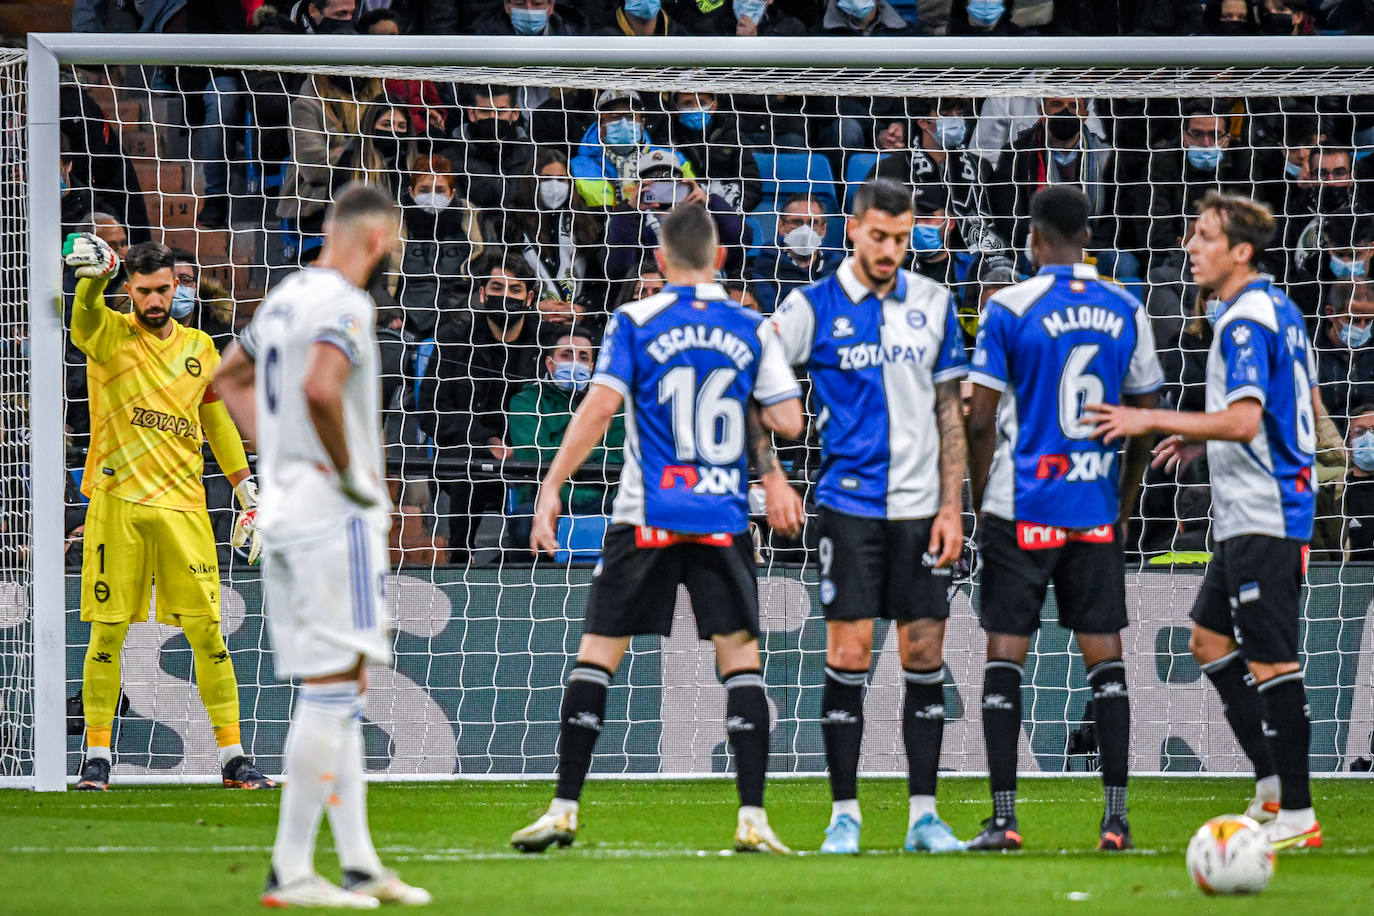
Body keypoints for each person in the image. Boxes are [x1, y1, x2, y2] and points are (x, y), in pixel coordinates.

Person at [510, 203, 804, 855]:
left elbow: (600, 407)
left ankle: (563, 809)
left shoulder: (636, 320)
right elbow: (789, 421)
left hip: (647, 512)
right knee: (741, 663)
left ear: (661, 262)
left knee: (598, 655)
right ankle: (752, 818)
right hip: (721, 516)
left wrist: (551, 486)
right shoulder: (752, 327)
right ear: (721, 259)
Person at [212, 183, 430, 907]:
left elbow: (224, 380)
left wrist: (280, 459)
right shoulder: (346, 302)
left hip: (283, 508)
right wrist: (352, 476)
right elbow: (319, 387)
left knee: (341, 686)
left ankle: (361, 864)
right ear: (376, 240)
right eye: (393, 244)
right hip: (334, 515)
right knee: (338, 688)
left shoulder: (284, 297)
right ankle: (293, 871)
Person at [1087, 191, 1323, 851]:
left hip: (1266, 510)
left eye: (1204, 236)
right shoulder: (1275, 306)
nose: (1191, 247)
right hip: (1253, 505)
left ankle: (1298, 815)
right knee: (1208, 639)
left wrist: (1151, 418)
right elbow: (1288, 400)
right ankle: (1274, 788)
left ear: (1240, 251)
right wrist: (1205, 442)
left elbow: (1248, 419)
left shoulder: (1245, 320)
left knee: (1273, 660)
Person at [770, 177, 970, 855]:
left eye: (902, 237)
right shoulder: (811, 305)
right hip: (849, 507)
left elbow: (952, 413)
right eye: (879, 236)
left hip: (920, 512)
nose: (890, 249)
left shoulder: (934, 303)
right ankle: (844, 815)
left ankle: (923, 816)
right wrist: (770, 477)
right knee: (849, 653)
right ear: (852, 230)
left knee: (924, 652)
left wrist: (953, 506)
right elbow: (752, 379)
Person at [964, 186, 1163, 852]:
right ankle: (1115, 819)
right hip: (1093, 506)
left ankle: (1004, 818)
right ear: (1087, 236)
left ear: (1032, 236)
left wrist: (980, 494)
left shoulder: (1009, 307)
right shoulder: (1126, 306)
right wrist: (1125, 503)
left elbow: (980, 417)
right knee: (1105, 660)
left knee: (1004, 656)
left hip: (1021, 505)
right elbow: (1143, 418)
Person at [59, 235, 272, 793]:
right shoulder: (106, 333)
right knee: (107, 634)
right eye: (146, 290)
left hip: (184, 507)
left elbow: (216, 421)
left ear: (177, 285)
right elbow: (82, 316)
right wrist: (92, 278)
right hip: (117, 505)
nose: (156, 300)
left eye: (165, 289)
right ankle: (97, 757)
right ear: (129, 288)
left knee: (207, 632)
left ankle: (233, 757)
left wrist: (245, 485)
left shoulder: (200, 346)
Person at [507, 329, 625, 543]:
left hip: (603, 497)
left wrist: (563, 452)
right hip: (542, 496)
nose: (575, 363)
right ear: (550, 364)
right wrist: (589, 449)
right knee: (524, 522)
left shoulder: (611, 405)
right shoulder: (525, 401)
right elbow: (535, 456)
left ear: (592, 367)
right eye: (566, 355)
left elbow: (616, 456)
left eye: (583, 357)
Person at [751, 193, 843, 314]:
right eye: (796, 222)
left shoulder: (839, 270)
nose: (805, 230)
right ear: (781, 226)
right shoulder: (763, 270)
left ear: (823, 230)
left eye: (813, 223)